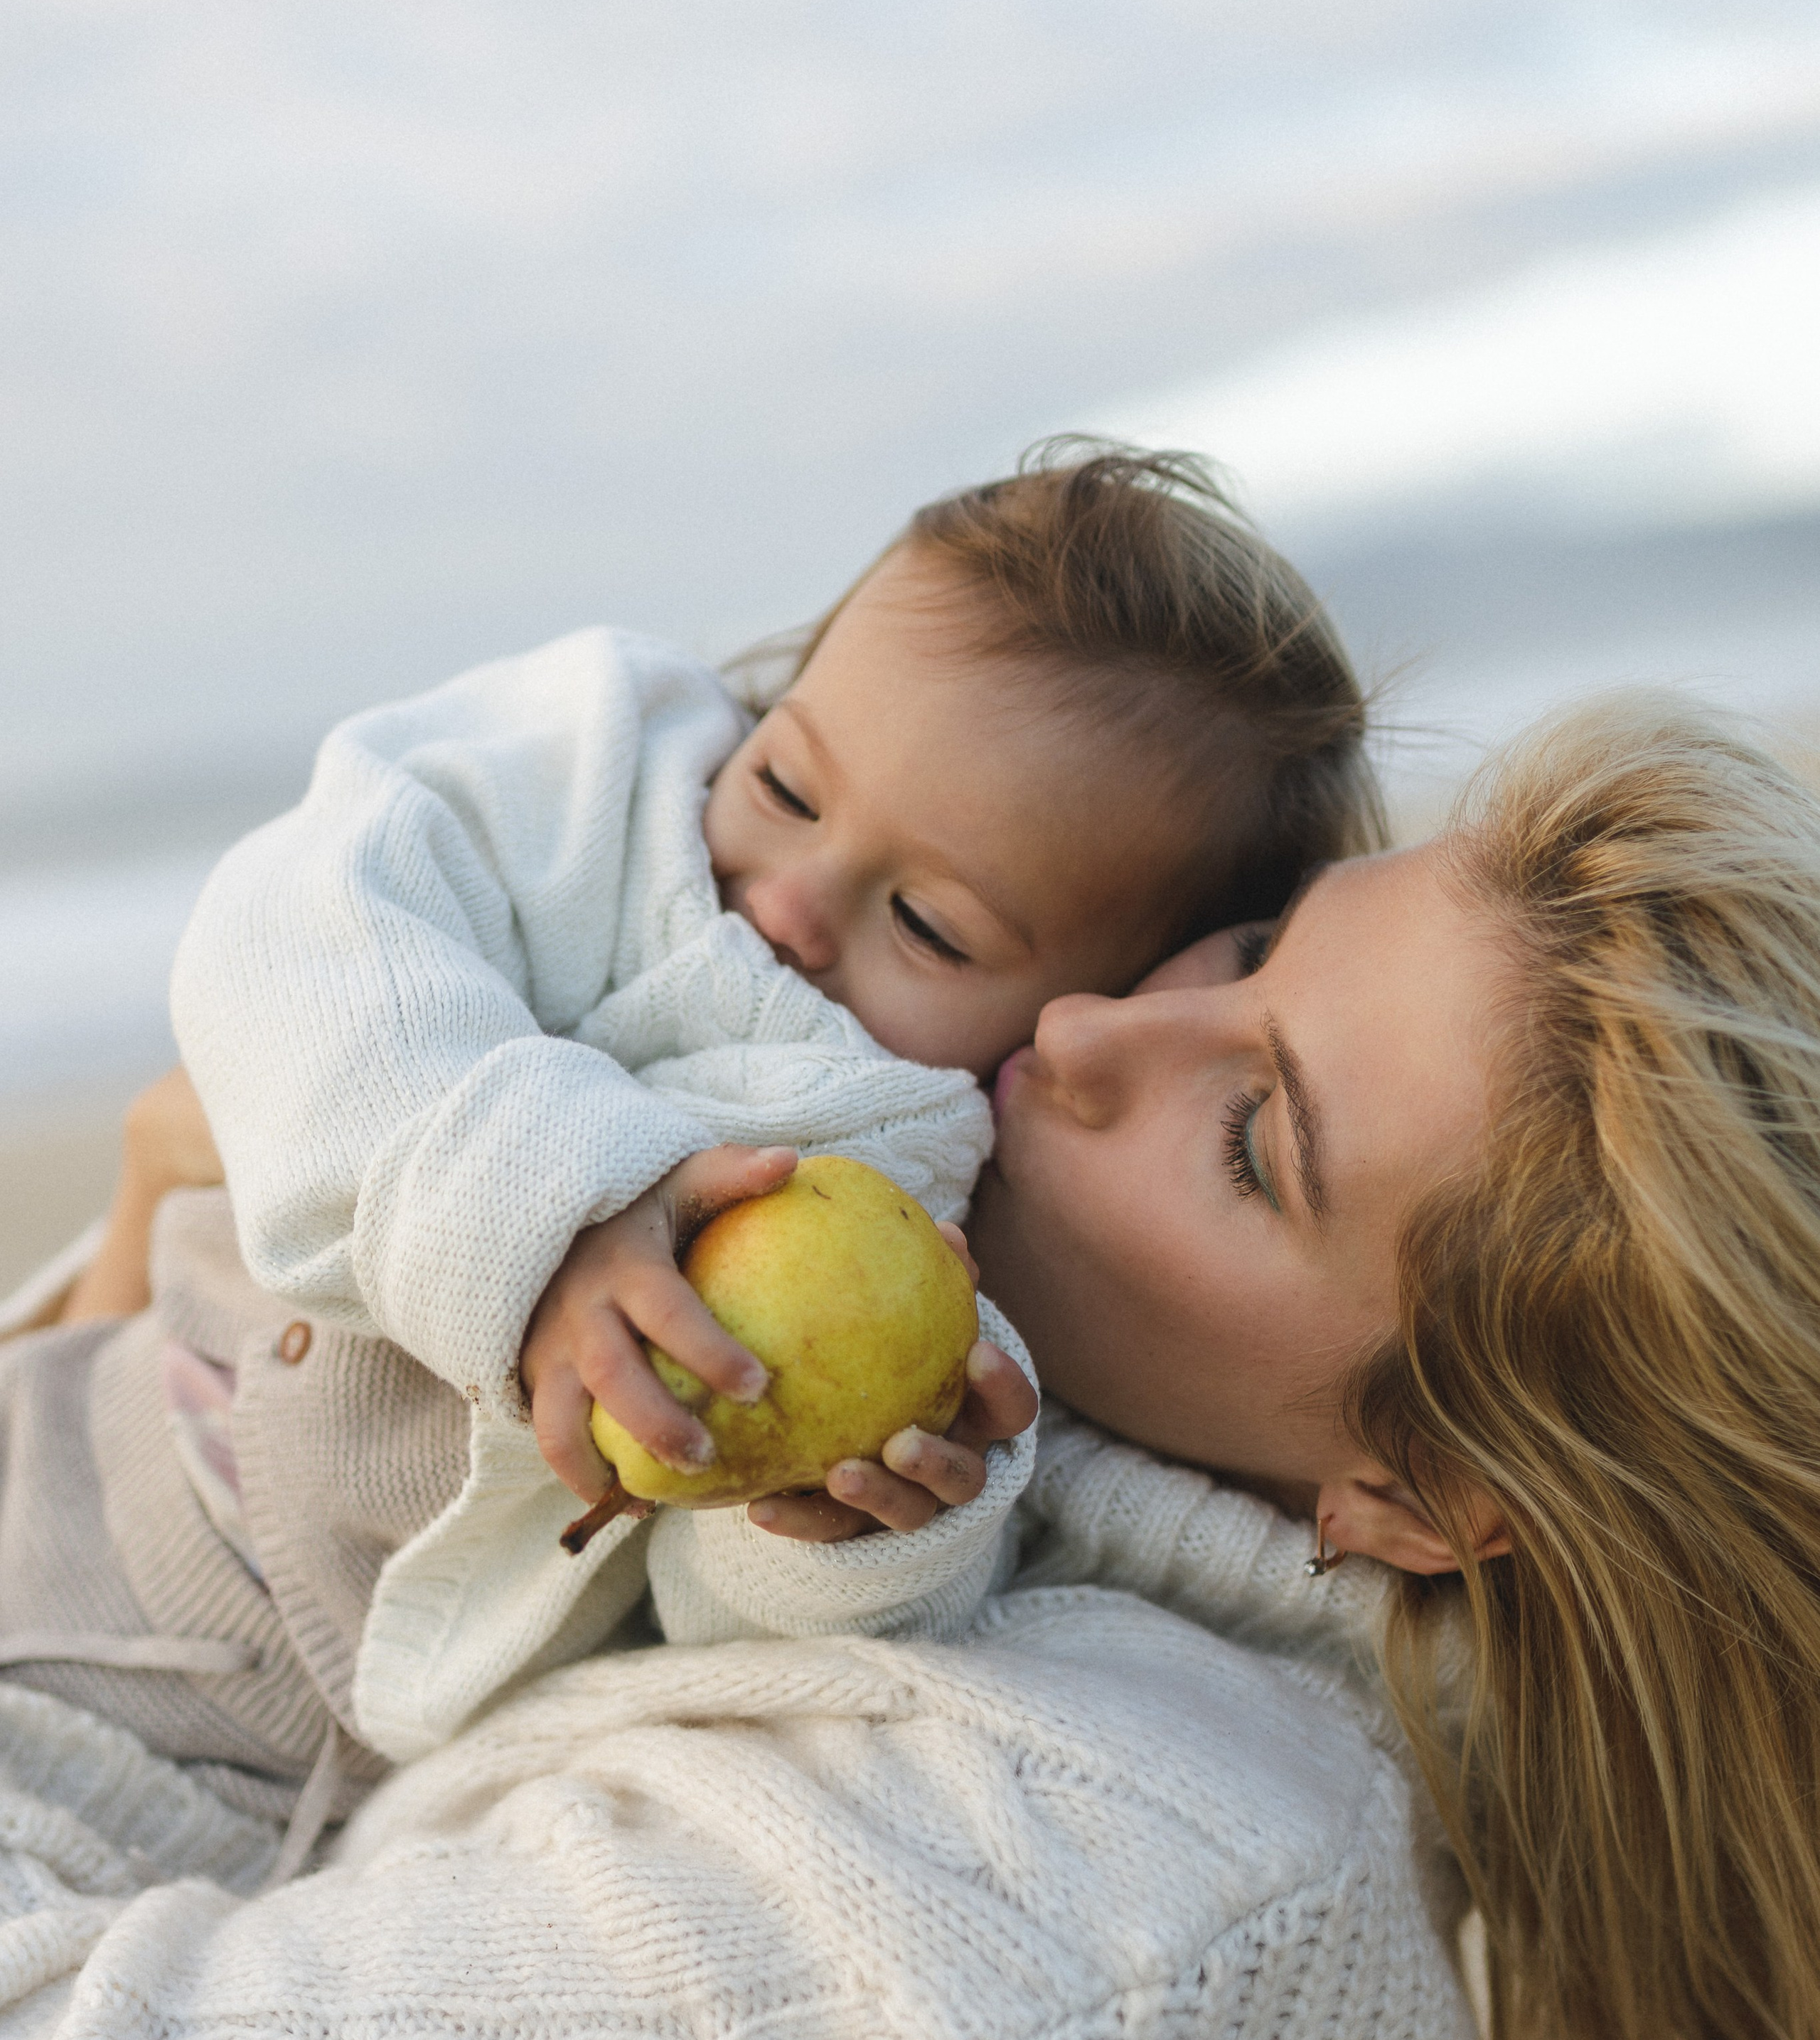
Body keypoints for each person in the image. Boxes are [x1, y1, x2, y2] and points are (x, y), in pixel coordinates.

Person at [5, 689, 1816, 2040]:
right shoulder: (1006, 1563)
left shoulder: (1060, 1926)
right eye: (1247, 948)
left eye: (1250, 1140)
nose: (1086, 1030)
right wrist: (148, 1294)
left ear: (1428, 1493)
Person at [0, 446, 1382, 1859]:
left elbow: (705, 1625)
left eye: (930, 927)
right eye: (785, 783)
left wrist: (854, 1535)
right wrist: (553, 1212)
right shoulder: (610, 774)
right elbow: (301, 922)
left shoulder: (913, 1205)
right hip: (77, 1424)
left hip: (255, 1745)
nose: (787, 901)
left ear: (1075, 1008)